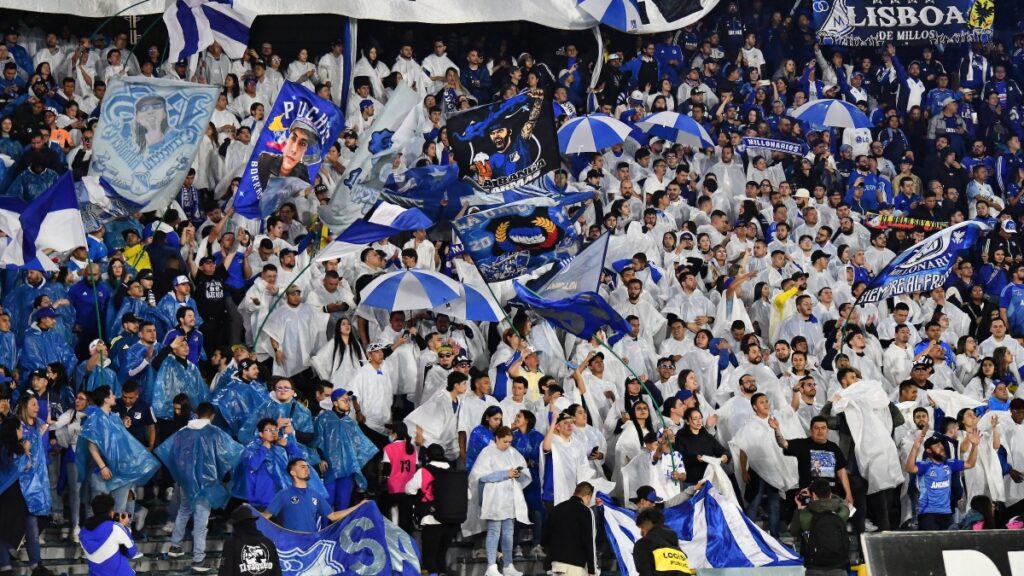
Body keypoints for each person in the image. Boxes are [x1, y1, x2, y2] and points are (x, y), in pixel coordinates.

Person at [156, 402, 245, 573]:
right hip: (206, 484)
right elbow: (230, 454)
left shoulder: (182, 432)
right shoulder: (215, 432)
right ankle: (198, 558)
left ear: (197, 414)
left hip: (185, 482)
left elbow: (171, 454)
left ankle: (175, 546)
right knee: (200, 521)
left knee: (183, 511)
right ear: (212, 416)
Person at [469, 425, 531, 576]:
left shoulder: (512, 452)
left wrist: (518, 473)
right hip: (494, 498)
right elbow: (481, 476)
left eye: (510, 442)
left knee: (509, 533)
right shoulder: (487, 453)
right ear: (496, 438)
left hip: (509, 498)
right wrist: (505, 474)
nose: (507, 445)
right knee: (494, 532)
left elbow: (524, 468)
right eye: (505, 441)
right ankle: (491, 566)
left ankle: (508, 565)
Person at [313, 388, 378, 509]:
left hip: (347, 470)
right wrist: (320, 459)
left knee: (343, 504)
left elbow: (363, 446)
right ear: (335, 402)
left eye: (348, 400)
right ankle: (325, 528)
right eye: (344, 400)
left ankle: (340, 528)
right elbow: (316, 441)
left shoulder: (350, 422)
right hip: (329, 468)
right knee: (326, 504)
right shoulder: (324, 418)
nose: (347, 403)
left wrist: (355, 464)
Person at [263, 458, 369, 532]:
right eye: (302, 467)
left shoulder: (315, 495)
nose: (307, 469)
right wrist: (248, 513)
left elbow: (332, 516)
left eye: (307, 467)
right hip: (290, 545)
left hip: (311, 544)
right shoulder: (283, 494)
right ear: (293, 473)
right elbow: (266, 516)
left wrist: (359, 505)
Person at [905, 429, 982, 530]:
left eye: (941, 444)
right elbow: (909, 468)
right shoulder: (926, 465)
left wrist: (975, 446)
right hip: (928, 514)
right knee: (932, 544)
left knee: (948, 544)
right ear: (929, 451)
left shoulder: (949, 464)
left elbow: (970, 464)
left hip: (947, 514)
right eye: (937, 446)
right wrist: (915, 448)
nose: (941, 447)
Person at [789, 479, 851, 576]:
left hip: (814, 567)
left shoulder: (804, 514)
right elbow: (845, 503)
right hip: (838, 566)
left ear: (813, 495)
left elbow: (793, 531)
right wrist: (830, 494)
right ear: (830, 494)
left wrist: (799, 509)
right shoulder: (842, 512)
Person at [542, 481, 598, 576]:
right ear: (588, 496)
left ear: (574, 492)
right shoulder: (586, 511)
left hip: (555, 566)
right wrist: (592, 570)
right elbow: (589, 542)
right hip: (575, 568)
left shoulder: (556, 509)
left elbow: (545, 538)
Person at [79, 493, 141, 576]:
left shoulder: (82, 533)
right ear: (111, 512)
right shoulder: (115, 528)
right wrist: (124, 527)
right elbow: (132, 552)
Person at [218, 505, 283, 576]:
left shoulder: (231, 544)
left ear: (237, 525)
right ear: (253, 523)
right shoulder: (269, 543)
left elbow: (225, 572)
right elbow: (277, 572)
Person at [632, 506, 695, 576]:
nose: (641, 533)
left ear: (647, 521)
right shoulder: (679, 551)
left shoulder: (644, 544)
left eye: (642, 527)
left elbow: (645, 573)